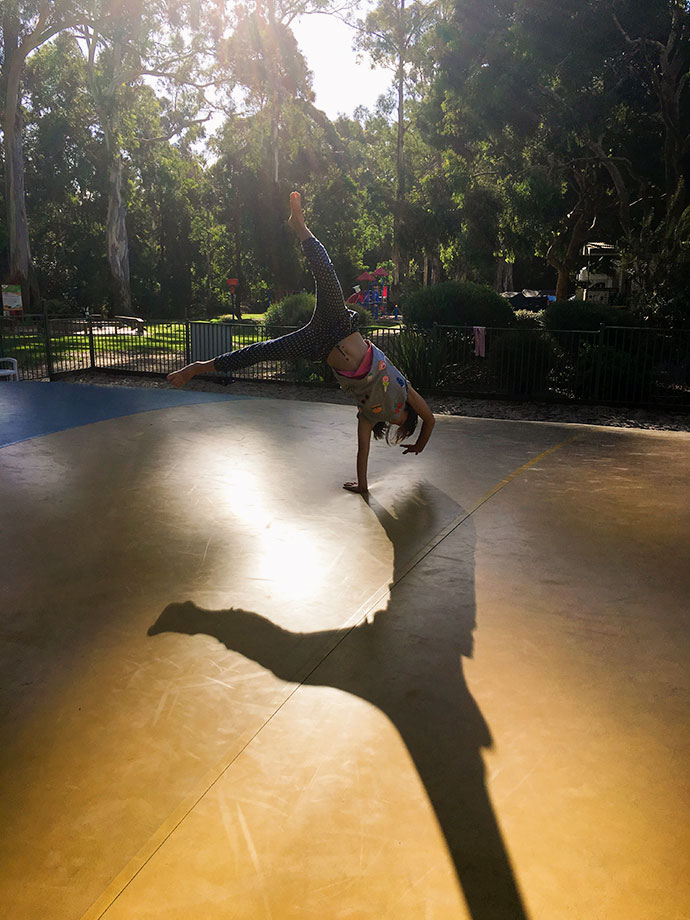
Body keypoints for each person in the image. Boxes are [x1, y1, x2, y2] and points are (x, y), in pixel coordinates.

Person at [167, 192, 435, 493]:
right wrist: (421, 444)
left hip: (317, 344)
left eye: (398, 423)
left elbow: (362, 452)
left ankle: (200, 368)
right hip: (338, 323)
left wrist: (363, 484)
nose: (397, 417)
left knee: (260, 352)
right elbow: (430, 420)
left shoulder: (368, 417)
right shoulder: (406, 392)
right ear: (406, 415)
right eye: (402, 419)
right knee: (326, 273)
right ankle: (300, 225)